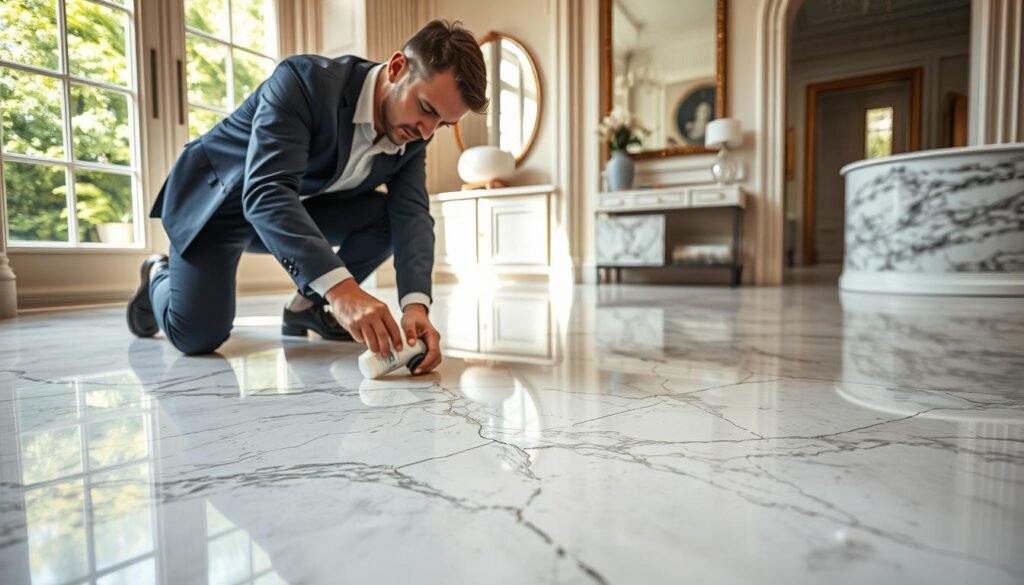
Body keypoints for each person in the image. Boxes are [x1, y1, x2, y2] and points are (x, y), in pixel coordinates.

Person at [126, 20, 488, 375]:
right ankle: (159, 272)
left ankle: (304, 309)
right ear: (396, 68)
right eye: (426, 109)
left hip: (292, 205)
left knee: (388, 219)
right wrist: (343, 291)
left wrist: (416, 307)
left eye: (441, 125)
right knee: (198, 336)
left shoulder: (414, 135)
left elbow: (411, 214)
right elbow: (266, 191)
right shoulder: (303, 82)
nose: (426, 131)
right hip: (220, 203)